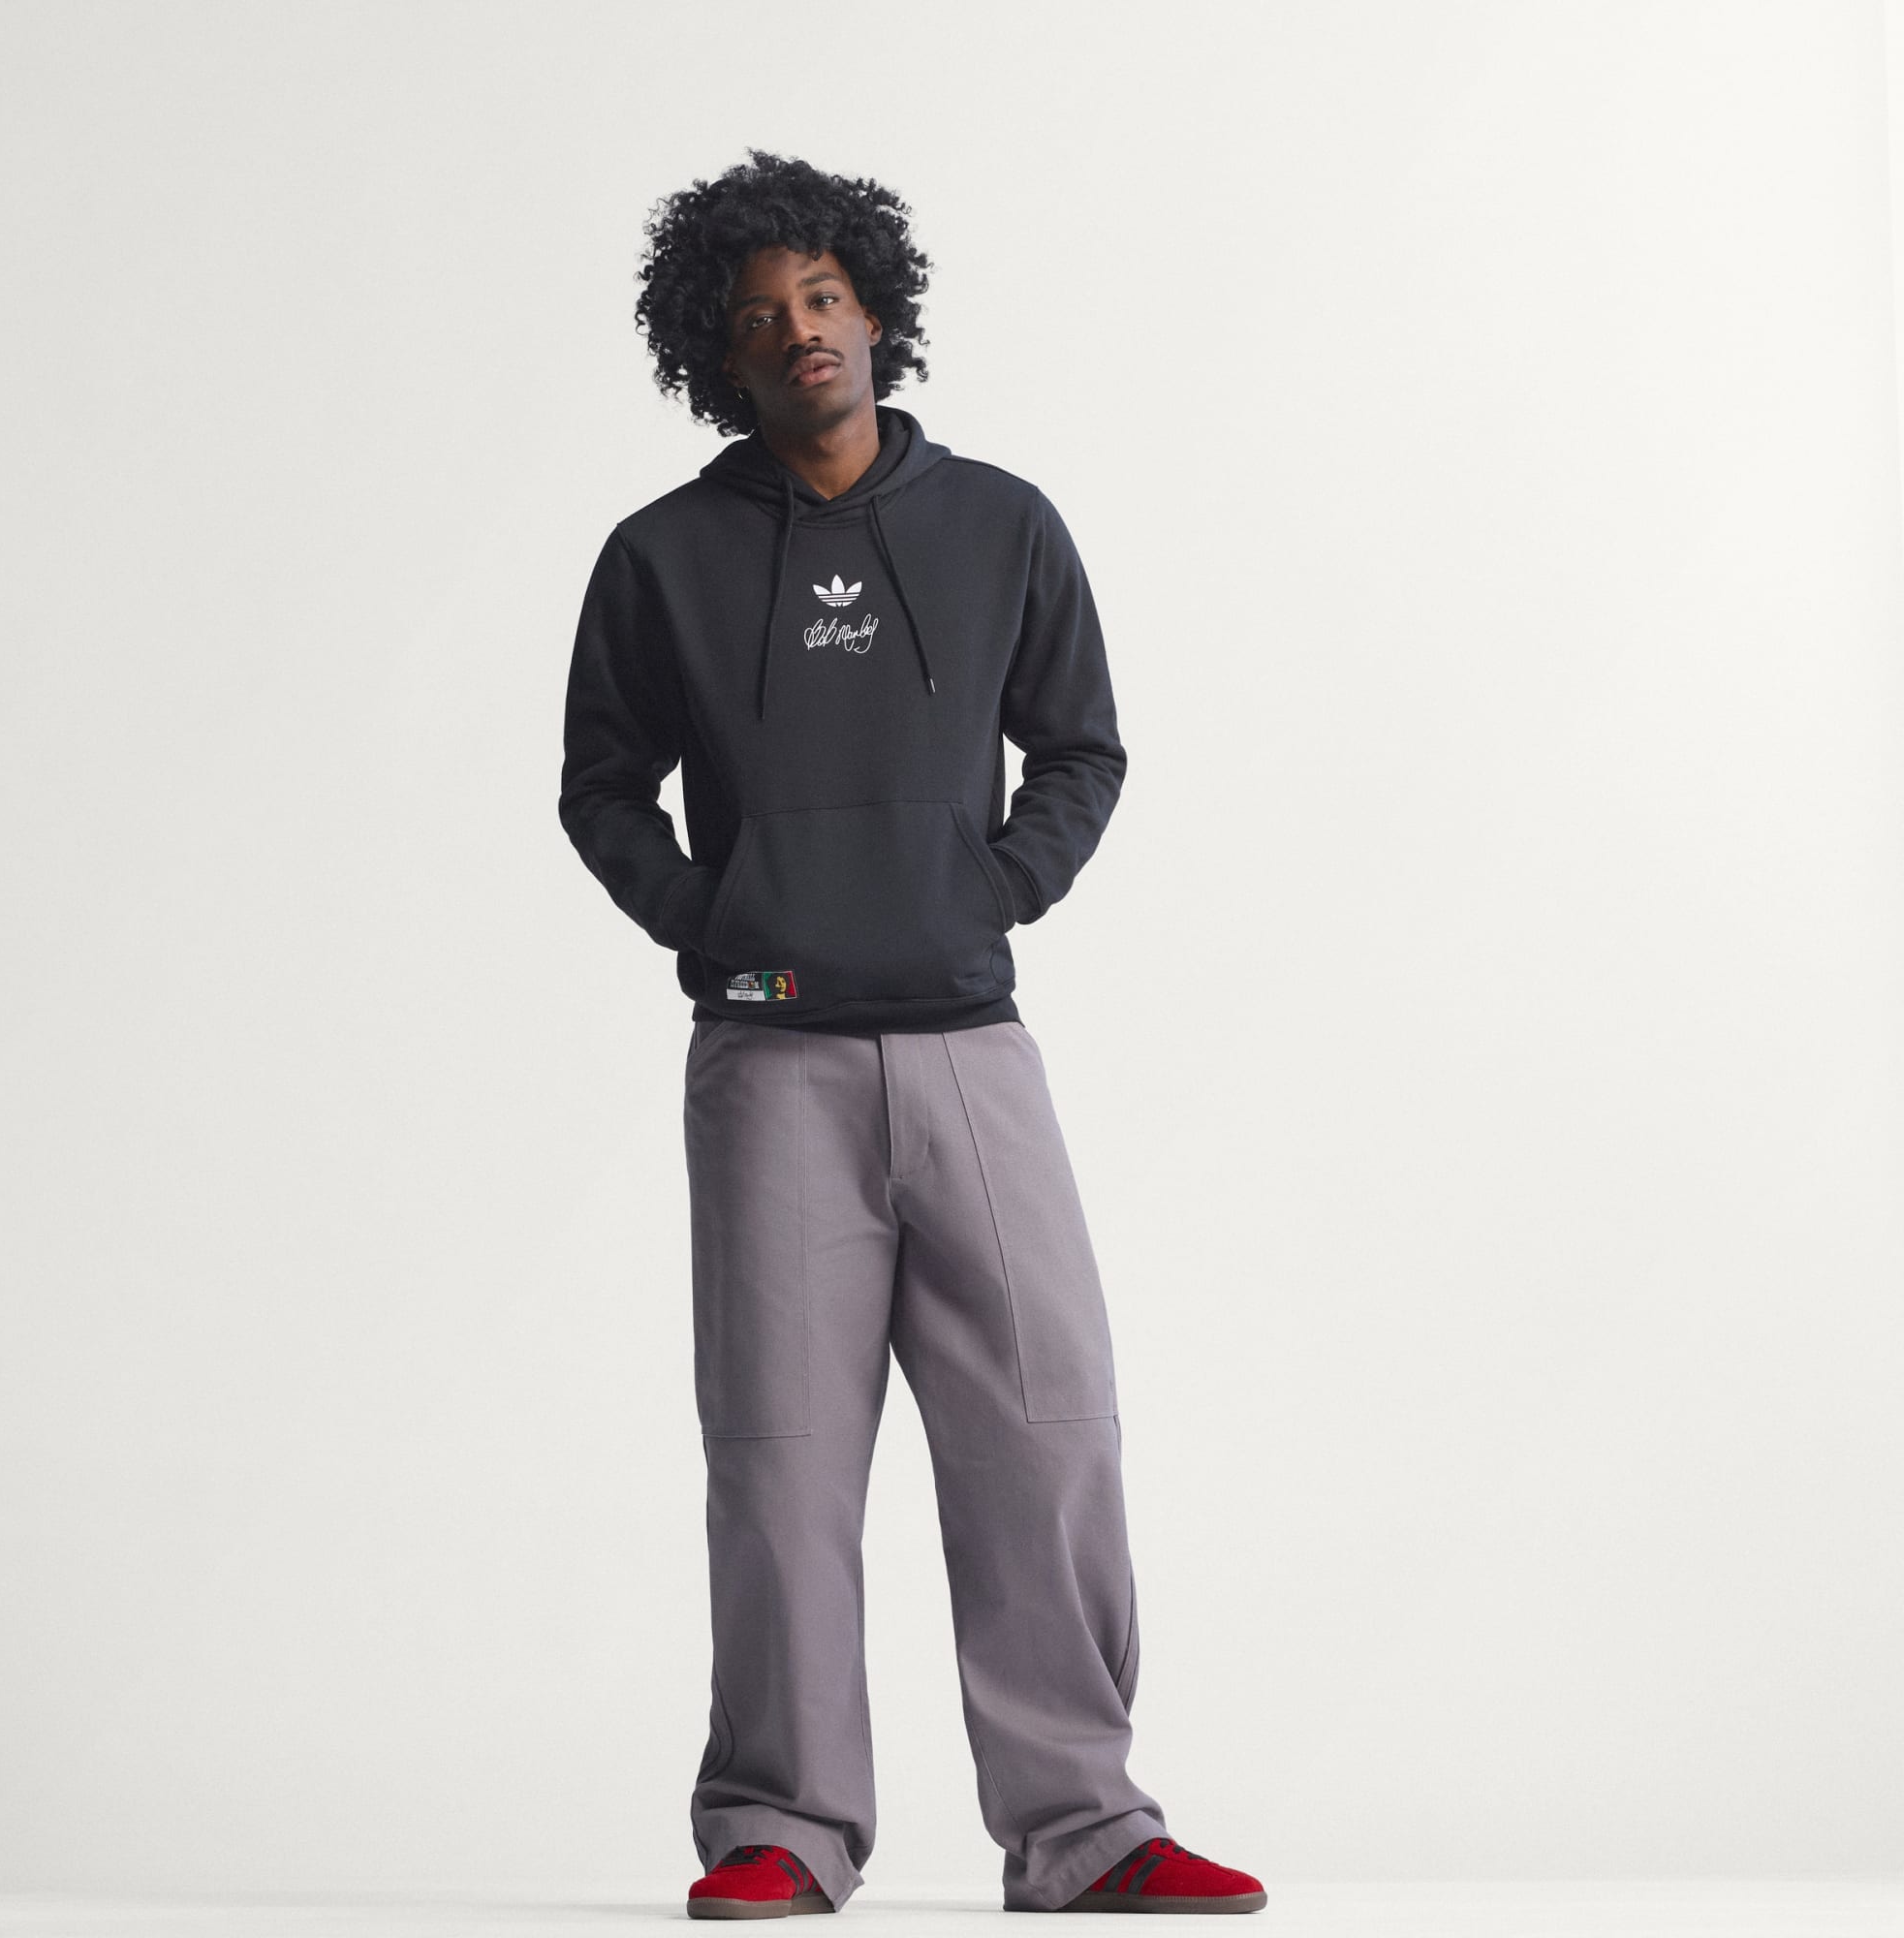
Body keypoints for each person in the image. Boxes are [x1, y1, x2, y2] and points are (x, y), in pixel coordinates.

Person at [557, 148, 1265, 1920]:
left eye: (822, 297)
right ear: (718, 353)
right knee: (782, 1459)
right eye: (759, 316)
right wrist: (718, 920)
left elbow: (1082, 746)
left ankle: (1085, 1827)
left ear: (876, 311)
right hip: (768, 1063)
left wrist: (993, 891)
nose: (799, 330)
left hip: (970, 1044)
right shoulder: (661, 558)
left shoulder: (1002, 525)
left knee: (1049, 1429)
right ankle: (781, 1830)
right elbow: (601, 788)